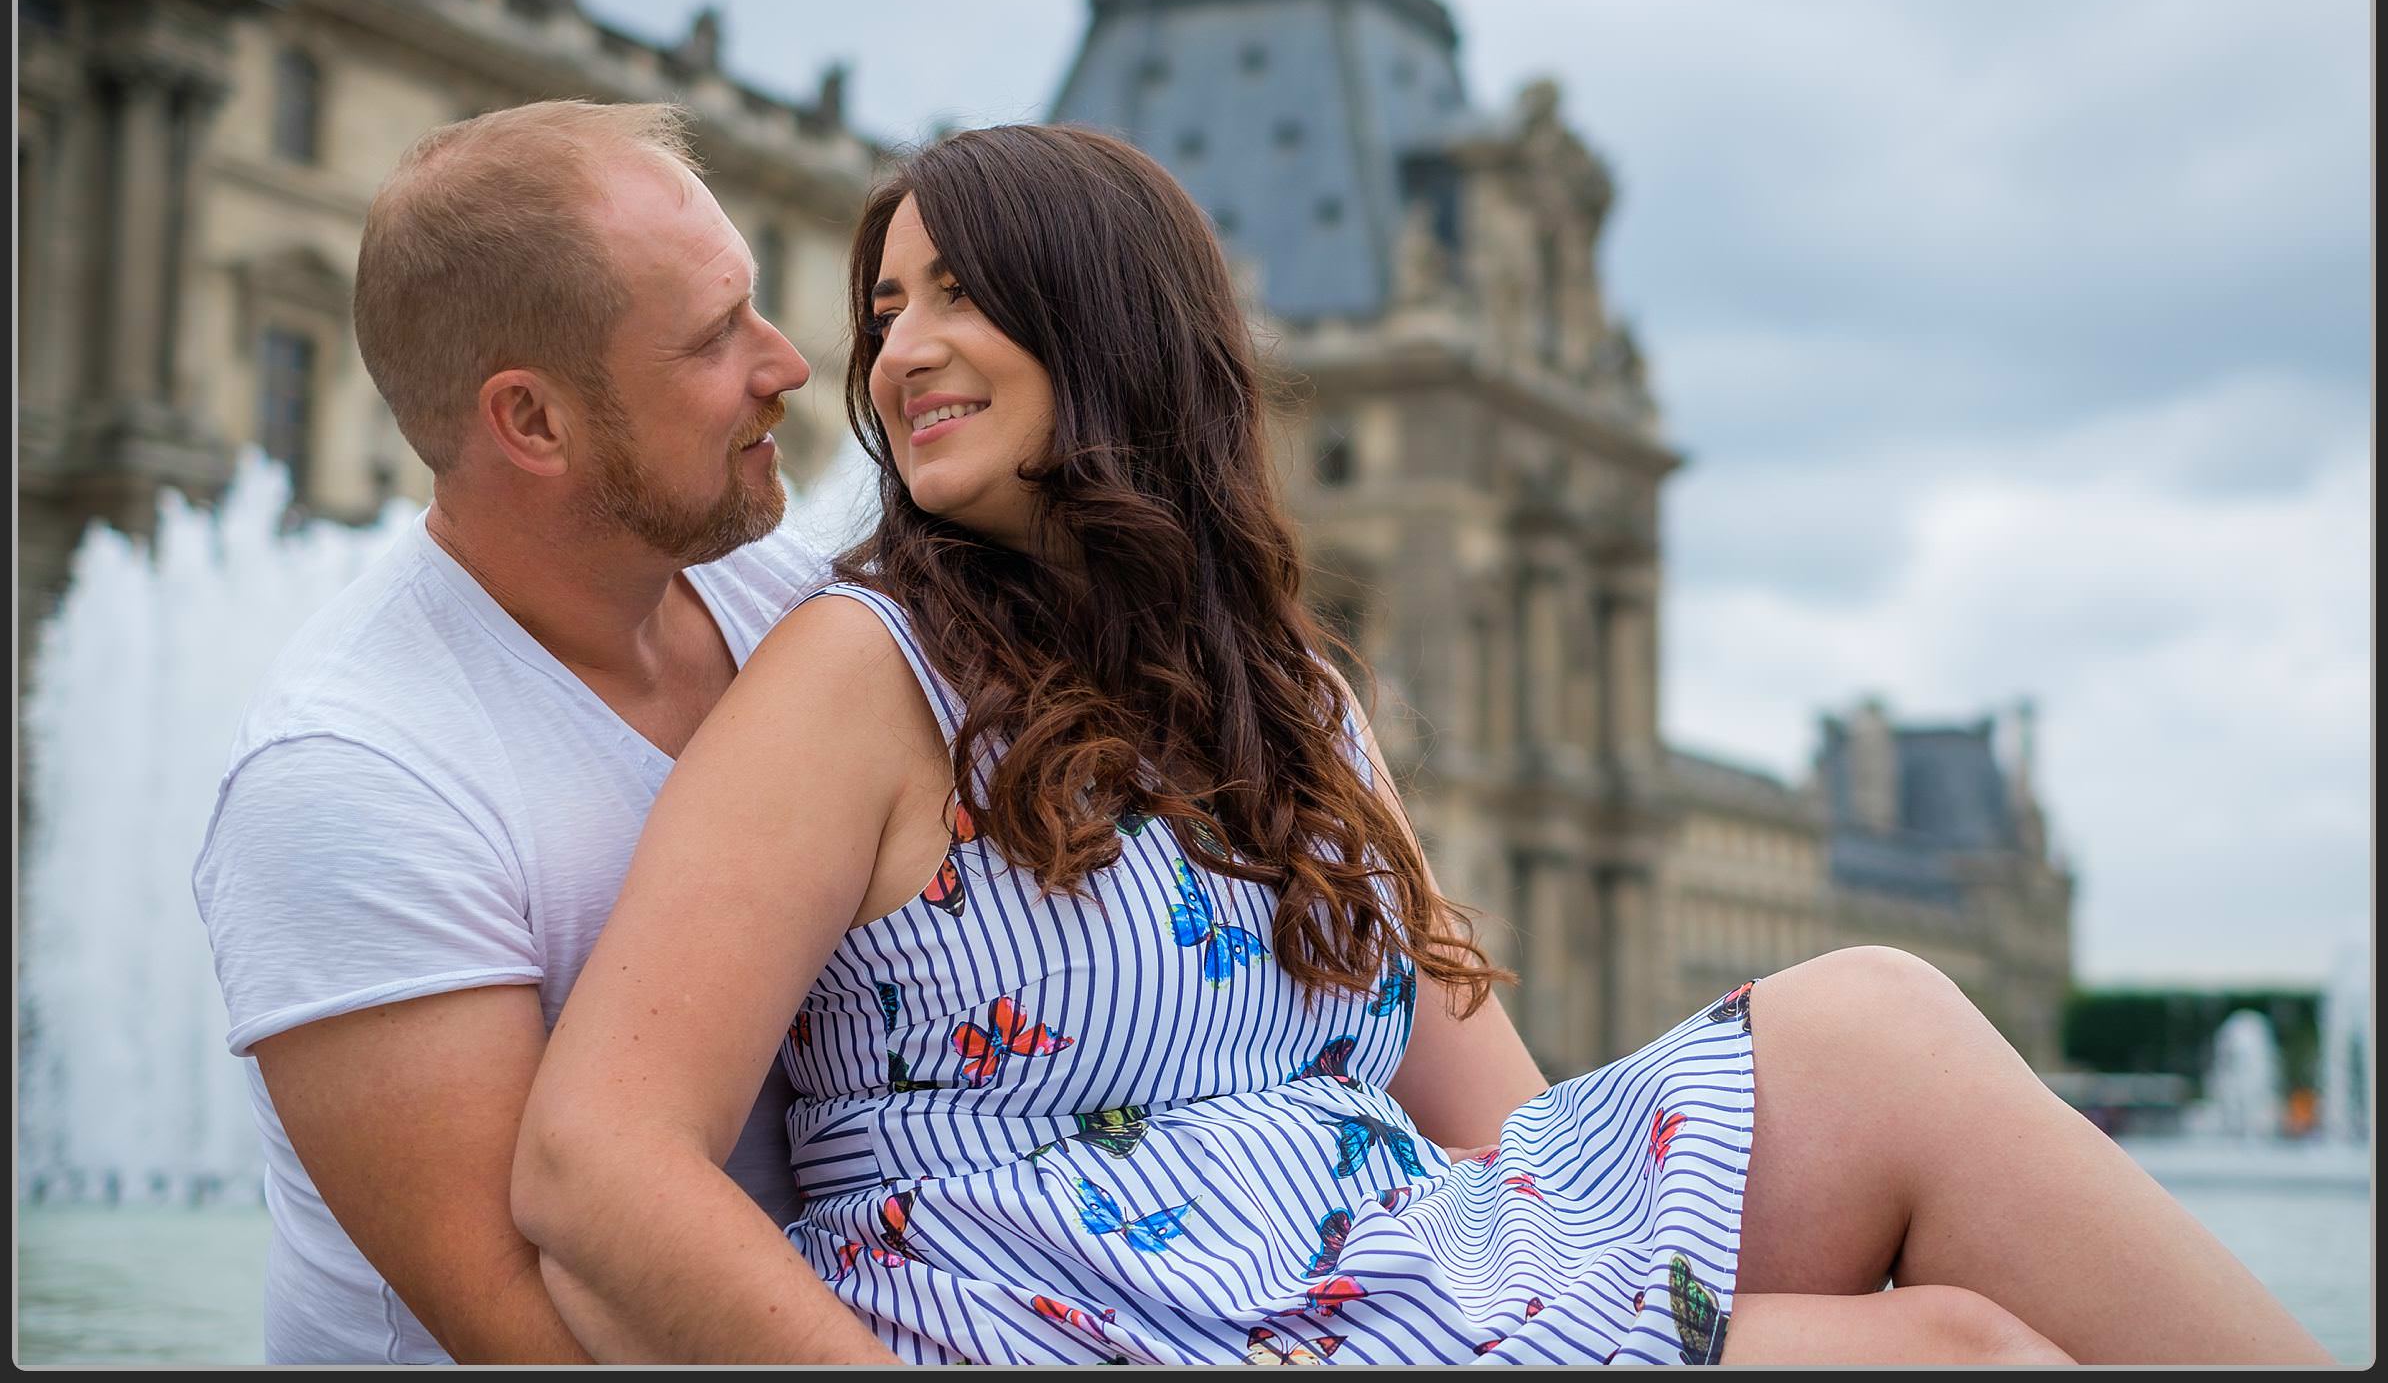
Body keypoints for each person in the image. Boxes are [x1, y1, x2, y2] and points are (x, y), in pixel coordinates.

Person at [512, 124, 2335, 1366]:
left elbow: (1520, 1138)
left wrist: (1652, 1299)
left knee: (1877, 1018)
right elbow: (595, 1166)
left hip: (1378, 1275)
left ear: (1115, 332)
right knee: (1952, 1351)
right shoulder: (865, 669)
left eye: (960, 294)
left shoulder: (1287, 702)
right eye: (885, 307)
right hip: (1096, 1321)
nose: (898, 349)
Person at [191, 100, 828, 1363]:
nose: (786, 364)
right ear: (531, 421)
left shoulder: (794, 602)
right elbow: (523, 1324)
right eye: (712, 339)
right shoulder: (349, 779)